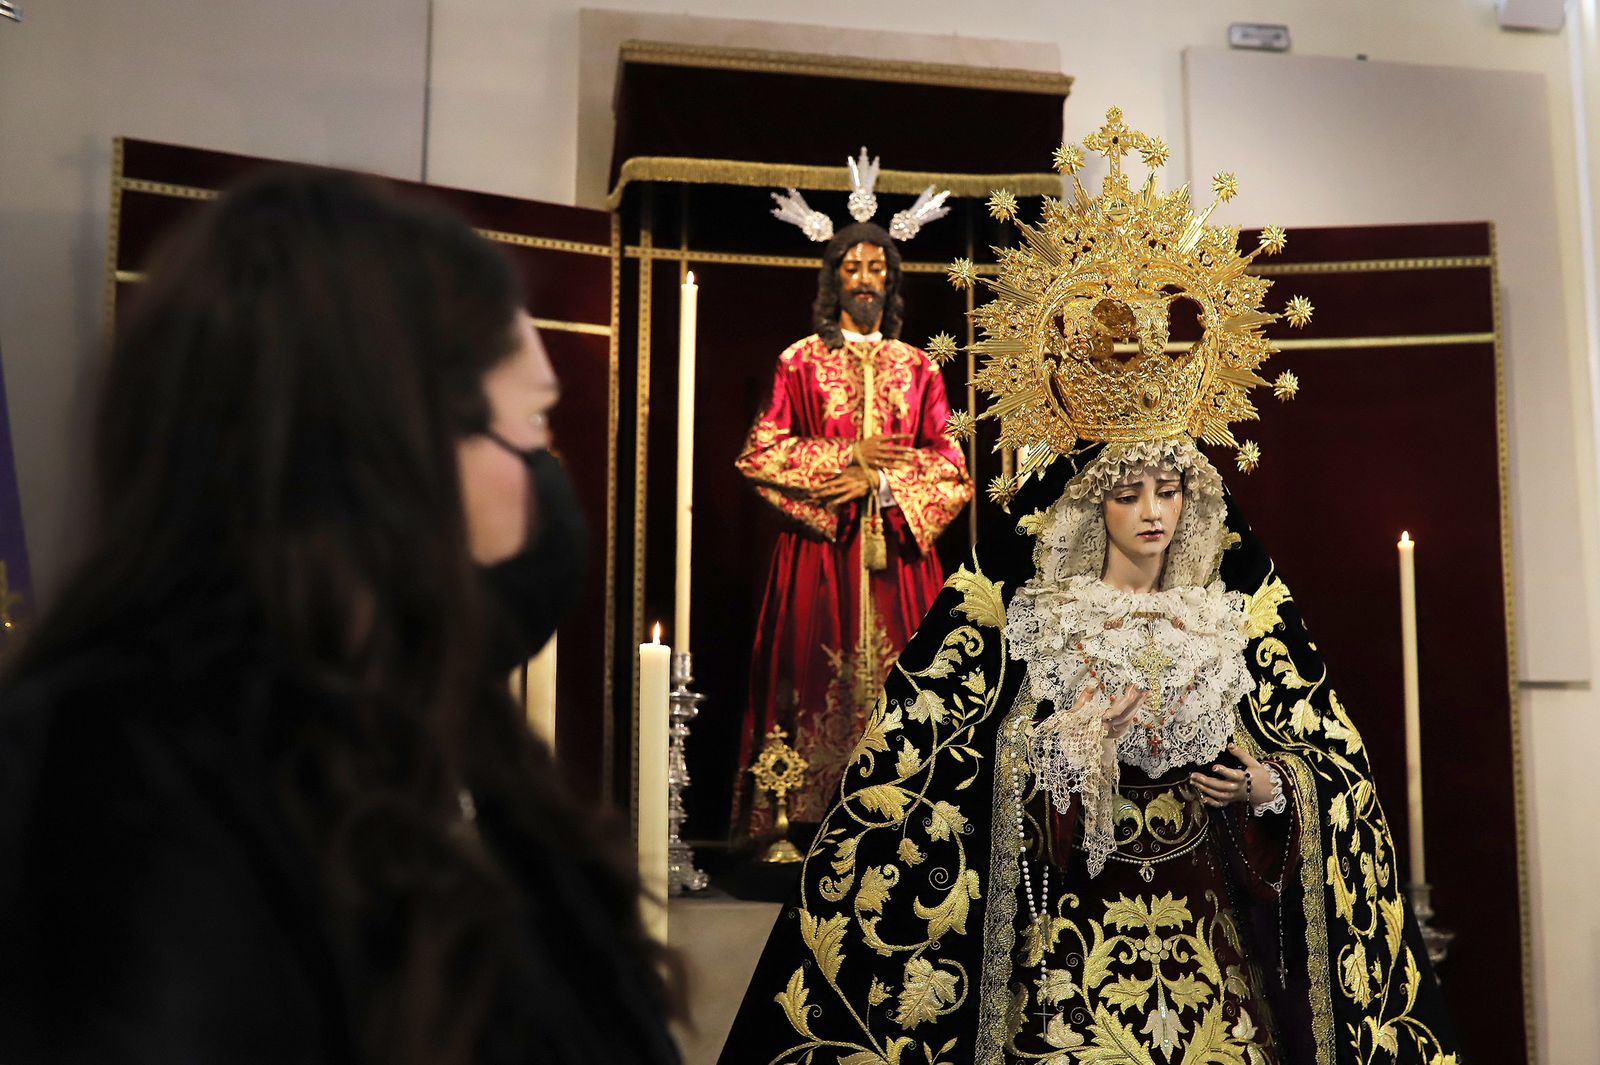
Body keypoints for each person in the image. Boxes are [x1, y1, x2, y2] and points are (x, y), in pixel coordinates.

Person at [717, 109, 1461, 1064]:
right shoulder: (1012, 609)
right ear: (1087, 505)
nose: (1153, 512)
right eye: (1129, 491)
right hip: (1065, 963)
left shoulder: (1238, 607)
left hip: (1214, 963)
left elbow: (1332, 766)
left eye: (1171, 489)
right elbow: (921, 788)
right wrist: (1052, 748)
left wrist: (1275, 784)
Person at [0, 169, 680, 1065]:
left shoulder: (440, 724)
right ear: (396, 450)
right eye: (535, 431)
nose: (551, 485)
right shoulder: (111, 771)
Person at [732, 215, 973, 840]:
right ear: (834, 278)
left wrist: (883, 483)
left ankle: (909, 816)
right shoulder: (799, 362)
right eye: (853, 267)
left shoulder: (919, 368)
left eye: (877, 267)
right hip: (819, 555)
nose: (865, 279)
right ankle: (797, 820)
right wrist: (846, 458)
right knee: (811, 679)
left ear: (891, 280)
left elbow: (951, 466)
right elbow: (760, 455)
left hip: (900, 557)